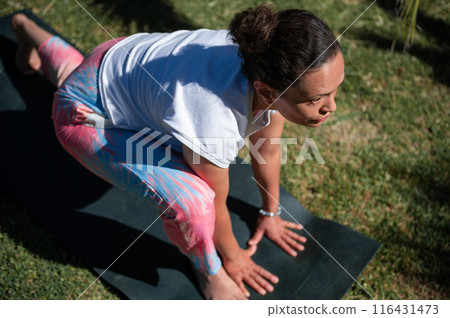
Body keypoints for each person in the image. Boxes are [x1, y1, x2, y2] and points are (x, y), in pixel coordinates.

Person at [11, 4, 345, 300]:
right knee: (193, 202)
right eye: (318, 99)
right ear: (267, 92)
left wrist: (270, 214)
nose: (331, 107)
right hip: (83, 117)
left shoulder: (263, 56)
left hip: (111, 58)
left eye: (333, 91)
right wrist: (231, 258)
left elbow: (267, 149)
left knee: (81, 77)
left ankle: (26, 28)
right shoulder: (213, 115)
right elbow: (212, 202)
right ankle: (207, 270)